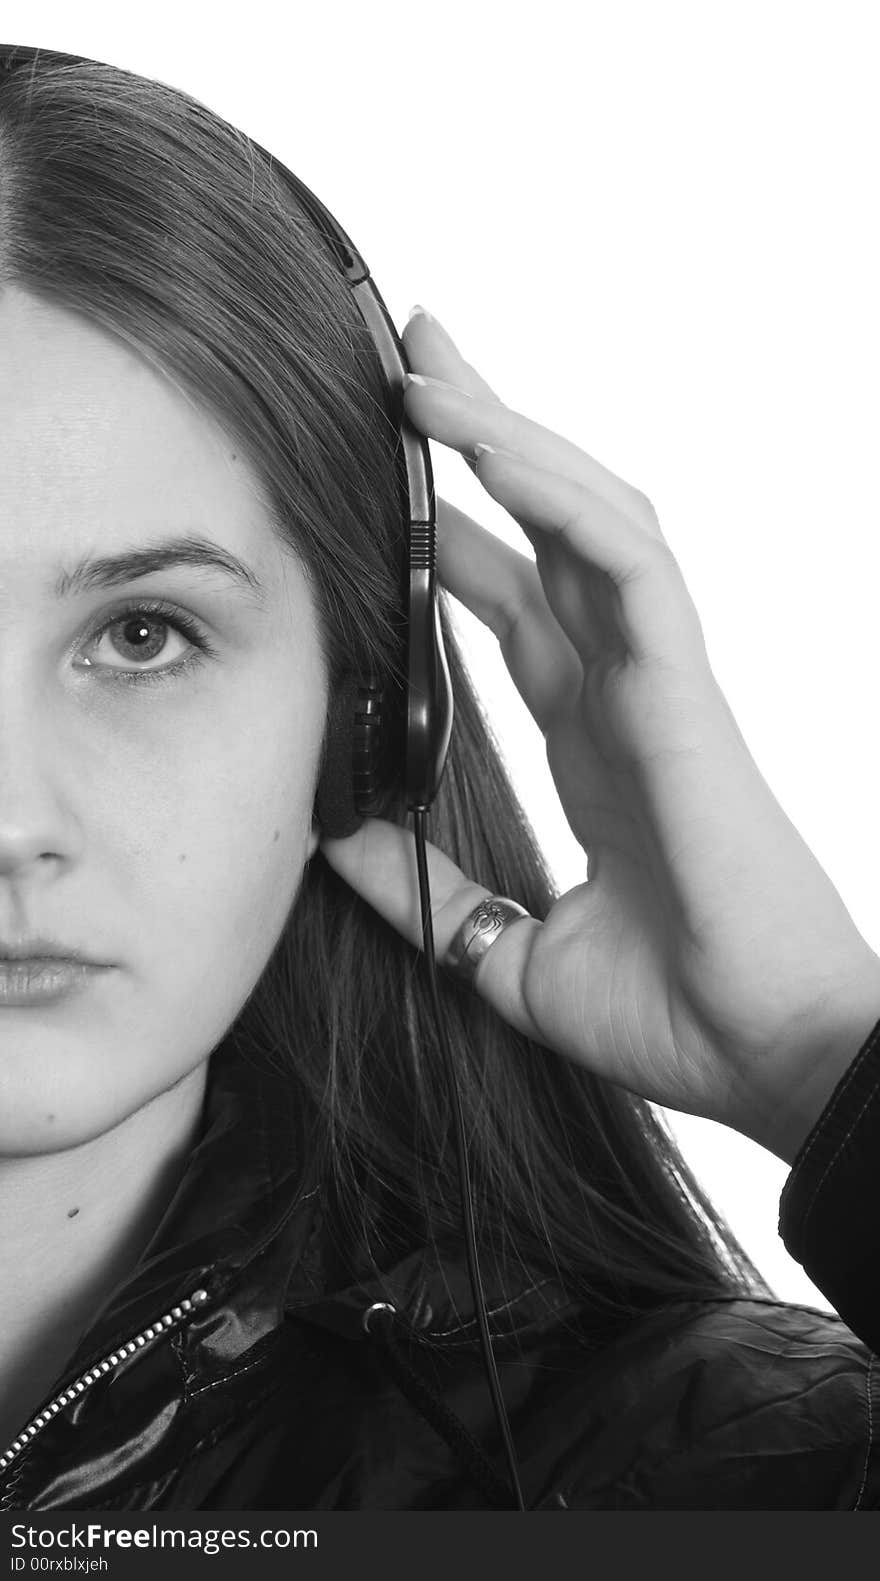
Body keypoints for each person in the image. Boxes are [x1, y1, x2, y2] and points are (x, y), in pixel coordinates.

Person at [0, 42, 879, 1515]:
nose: (10, 818)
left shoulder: (700, 1472)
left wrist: (822, 1058)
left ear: (369, 710)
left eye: (144, 634)